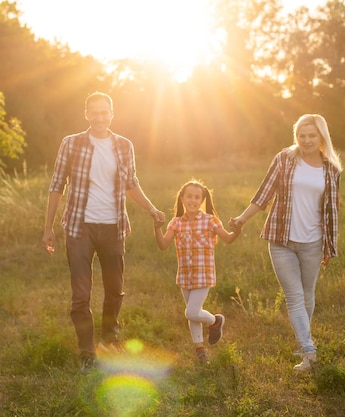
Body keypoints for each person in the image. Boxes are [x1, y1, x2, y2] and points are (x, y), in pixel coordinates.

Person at [42, 92, 165, 373]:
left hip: (113, 226)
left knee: (114, 289)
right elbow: (57, 185)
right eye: (93, 112)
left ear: (112, 113)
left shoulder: (124, 146)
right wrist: (48, 227)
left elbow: (131, 183)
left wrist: (151, 209)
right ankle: (87, 352)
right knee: (81, 295)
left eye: (104, 112)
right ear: (86, 114)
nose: (99, 117)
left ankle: (109, 338)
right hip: (79, 227)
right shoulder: (71, 143)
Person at [229, 114, 342, 372]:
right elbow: (263, 195)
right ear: (296, 136)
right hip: (281, 239)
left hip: (313, 242)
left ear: (322, 136)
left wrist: (329, 245)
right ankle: (309, 350)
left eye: (312, 135)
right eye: (302, 135)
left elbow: (332, 211)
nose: (306, 140)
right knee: (294, 296)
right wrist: (242, 219)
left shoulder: (331, 169)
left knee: (308, 295)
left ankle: (300, 340)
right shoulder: (284, 159)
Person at [154, 179, 242, 363]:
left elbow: (227, 239)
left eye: (196, 197)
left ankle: (215, 321)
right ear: (182, 198)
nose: (192, 200)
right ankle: (200, 350)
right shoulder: (176, 223)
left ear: (202, 199)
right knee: (193, 312)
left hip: (204, 274)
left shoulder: (210, 221)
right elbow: (163, 245)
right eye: (189, 197)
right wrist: (157, 228)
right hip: (185, 276)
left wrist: (237, 230)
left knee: (191, 312)